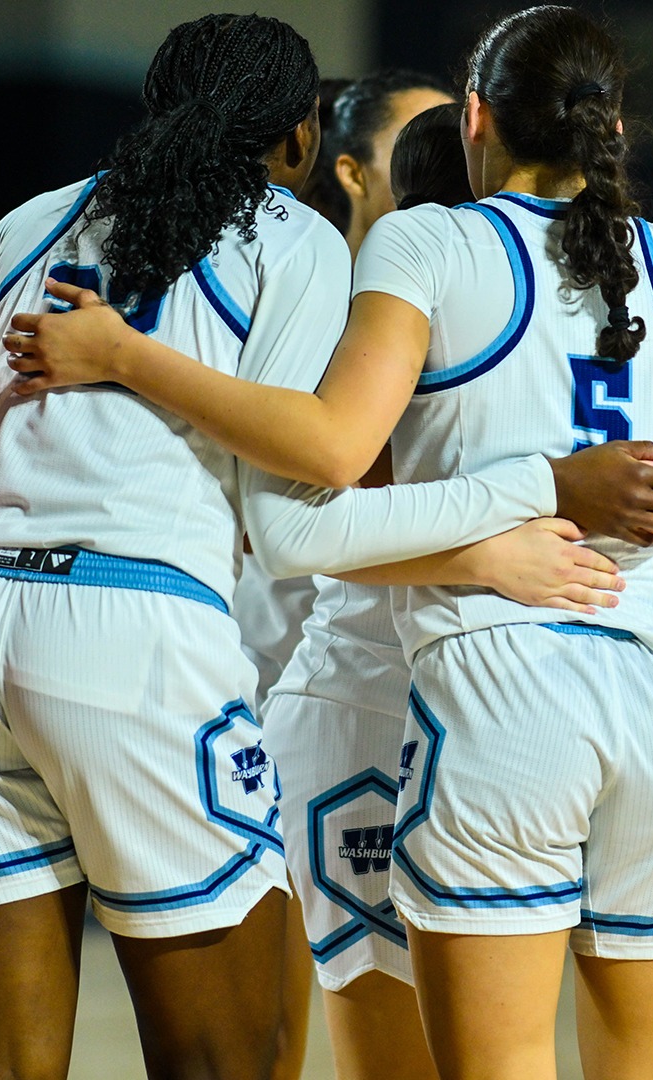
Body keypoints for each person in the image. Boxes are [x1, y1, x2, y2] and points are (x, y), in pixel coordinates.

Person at [3, 8, 653, 1077]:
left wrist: (127, 357)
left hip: (497, 688)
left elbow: (308, 488)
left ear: (476, 120)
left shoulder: (423, 250)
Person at [238, 71, 456, 1079]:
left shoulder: (458, 301)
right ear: (352, 171)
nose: (443, 155)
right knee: (268, 1039)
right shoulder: (302, 299)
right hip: (285, 686)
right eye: (419, 140)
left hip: (413, 692)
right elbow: (292, 529)